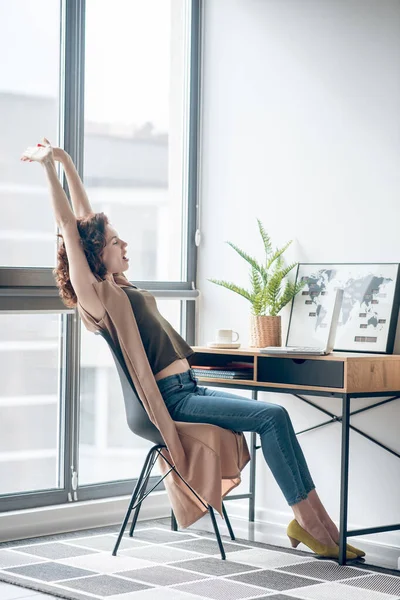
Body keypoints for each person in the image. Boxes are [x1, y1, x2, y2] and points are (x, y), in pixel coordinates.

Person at [21, 139, 364, 560]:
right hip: (172, 399)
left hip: (191, 388)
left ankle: (322, 524)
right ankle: (310, 525)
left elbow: (85, 220)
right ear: (95, 254)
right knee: (273, 416)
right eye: (115, 243)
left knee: (278, 416)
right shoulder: (98, 299)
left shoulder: (120, 287)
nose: (124, 246)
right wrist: (46, 169)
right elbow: (70, 227)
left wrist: (67, 162)